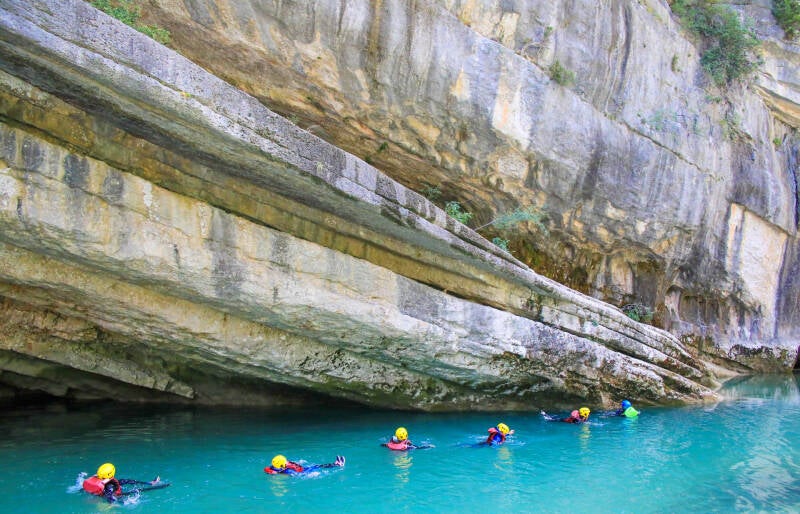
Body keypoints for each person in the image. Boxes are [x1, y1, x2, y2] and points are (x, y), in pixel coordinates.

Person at [82, 463, 162, 503]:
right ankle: (150, 483)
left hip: (97, 493)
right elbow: (109, 496)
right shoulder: (110, 486)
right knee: (127, 487)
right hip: (115, 496)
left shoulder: (97, 480)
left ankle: (149, 483)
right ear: (111, 474)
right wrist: (116, 503)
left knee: (124, 481)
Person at [264, 454, 345, 475]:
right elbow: (295, 475)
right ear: (281, 465)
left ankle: (336, 464)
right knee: (317, 467)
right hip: (303, 472)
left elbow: (266, 469)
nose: (287, 462)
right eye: (285, 462)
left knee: (316, 466)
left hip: (299, 469)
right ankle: (337, 464)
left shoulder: (272, 467)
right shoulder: (288, 471)